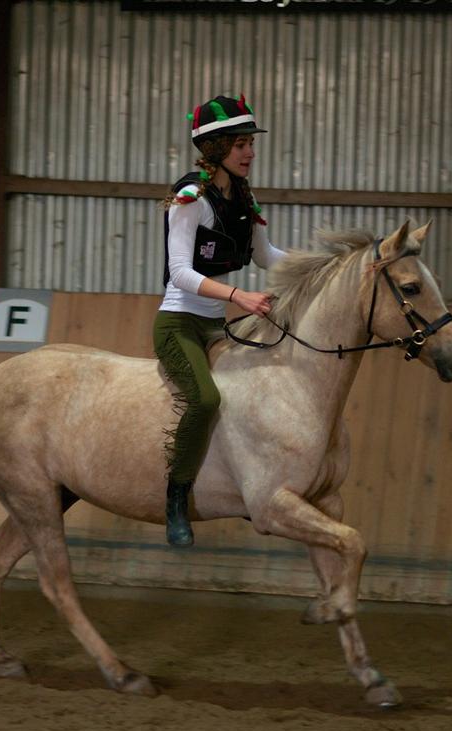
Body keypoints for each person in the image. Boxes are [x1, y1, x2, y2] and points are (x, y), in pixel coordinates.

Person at [155, 93, 286, 547]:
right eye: (240, 145)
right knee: (207, 401)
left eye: (250, 143)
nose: (250, 152)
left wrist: (327, 266)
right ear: (215, 150)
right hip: (179, 324)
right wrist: (239, 296)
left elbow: (267, 256)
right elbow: (180, 273)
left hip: (216, 324)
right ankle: (175, 499)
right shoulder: (190, 198)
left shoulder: (245, 197)